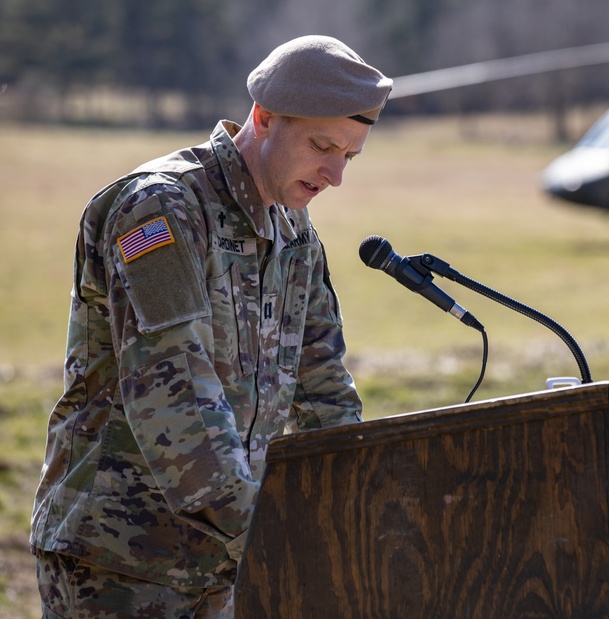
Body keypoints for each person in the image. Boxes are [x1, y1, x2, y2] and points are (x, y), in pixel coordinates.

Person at [30, 35, 392, 618]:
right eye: (323, 146)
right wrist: (271, 536)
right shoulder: (162, 210)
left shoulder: (294, 234)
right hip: (123, 559)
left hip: (226, 561)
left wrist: (352, 515)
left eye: (348, 156)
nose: (335, 176)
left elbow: (323, 391)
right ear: (264, 118)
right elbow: (174, 396)